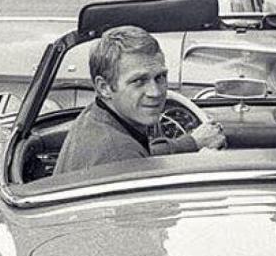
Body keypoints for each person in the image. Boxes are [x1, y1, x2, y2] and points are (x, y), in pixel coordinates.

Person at [55, 26, 226, 174]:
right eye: (139, 81)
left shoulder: (96, 116)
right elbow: (158, 209)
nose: (155, 92)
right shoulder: (118, 153)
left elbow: (146, 154)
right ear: (104, 87)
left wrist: (192, 143)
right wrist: (202, 165)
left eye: (160, 77)